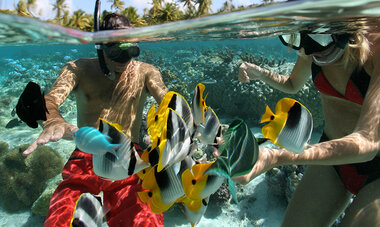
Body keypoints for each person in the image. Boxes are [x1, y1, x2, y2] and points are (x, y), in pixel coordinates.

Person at [23, 13, 168, 227]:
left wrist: (189, 128)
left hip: (130, 161)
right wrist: (54, 122)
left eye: (130, 51)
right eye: (115, 52)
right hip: (86, 157)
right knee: (60, 221)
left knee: (146, 220)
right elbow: (50, 100)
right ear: (100, 46)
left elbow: (169, 103)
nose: (123, 60)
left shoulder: (147, 72)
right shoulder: (78, 68)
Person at [235, 31, 380, 226]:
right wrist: (261, 73)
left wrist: (277, 156)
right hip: (332, 159)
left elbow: (368, 142)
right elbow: (293, 83)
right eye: (294, 38)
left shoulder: (376, 48)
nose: (306, 49)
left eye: (319, 38)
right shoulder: (311, 45)